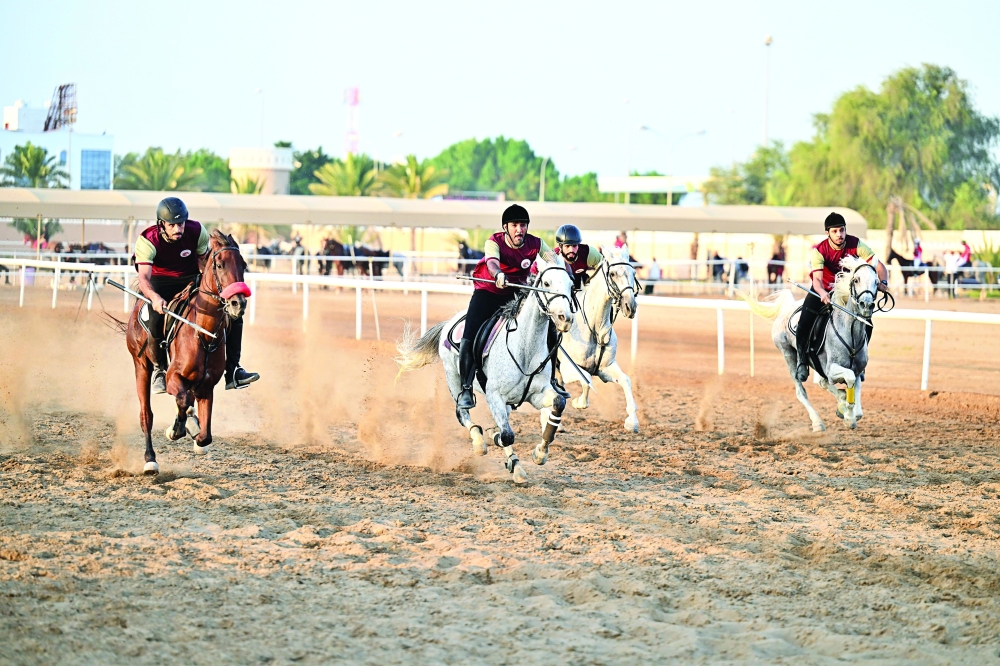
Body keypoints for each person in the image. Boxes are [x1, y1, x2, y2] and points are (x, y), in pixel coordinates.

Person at [135, 197, 260, 394]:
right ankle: (159, 369)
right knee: (155, 317)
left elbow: (203, 263)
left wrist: (218, 290)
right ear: (161, 225)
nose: (178, 229)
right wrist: (154, 298)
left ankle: (233, 369)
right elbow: (143, 277)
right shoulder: (147, 240)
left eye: (181, 223)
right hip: (160, 282)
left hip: (191, 278)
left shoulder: (196, 231)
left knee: (233, 314)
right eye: (173, 225)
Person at [457, 204, 555, 409]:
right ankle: (466, 388)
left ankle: (552, 379)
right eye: (515, 225)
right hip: (489, 291)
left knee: (549, 326)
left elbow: (552, 261)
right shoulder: (494, 241)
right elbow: (492, 263)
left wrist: (563, 273)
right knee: (469, 335)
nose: (520, 229)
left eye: (523, 225)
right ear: (505, 227)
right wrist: (498, 274)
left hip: (516, 293)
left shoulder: (536, 244)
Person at [795, 211, 889, 381]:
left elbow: (879, 265)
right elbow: (816, 280)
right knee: (804, 321)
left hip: (846, 289)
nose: (839, 235)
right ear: (827, 233)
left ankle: (860, 362)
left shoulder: (856, 244)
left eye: (842, 230)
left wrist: (883, 282)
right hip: (822, 289)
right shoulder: (819, 251)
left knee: (867, 322)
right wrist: (822, 293)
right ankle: (802, 360)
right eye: (835, 231)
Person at [554, 224, 603, 290]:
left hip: (583, 293)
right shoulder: (552, 257)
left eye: (574, 246)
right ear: (560, 246)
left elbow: (606, 267)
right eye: (567, 246)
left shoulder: (588, 253)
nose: (571, 250)